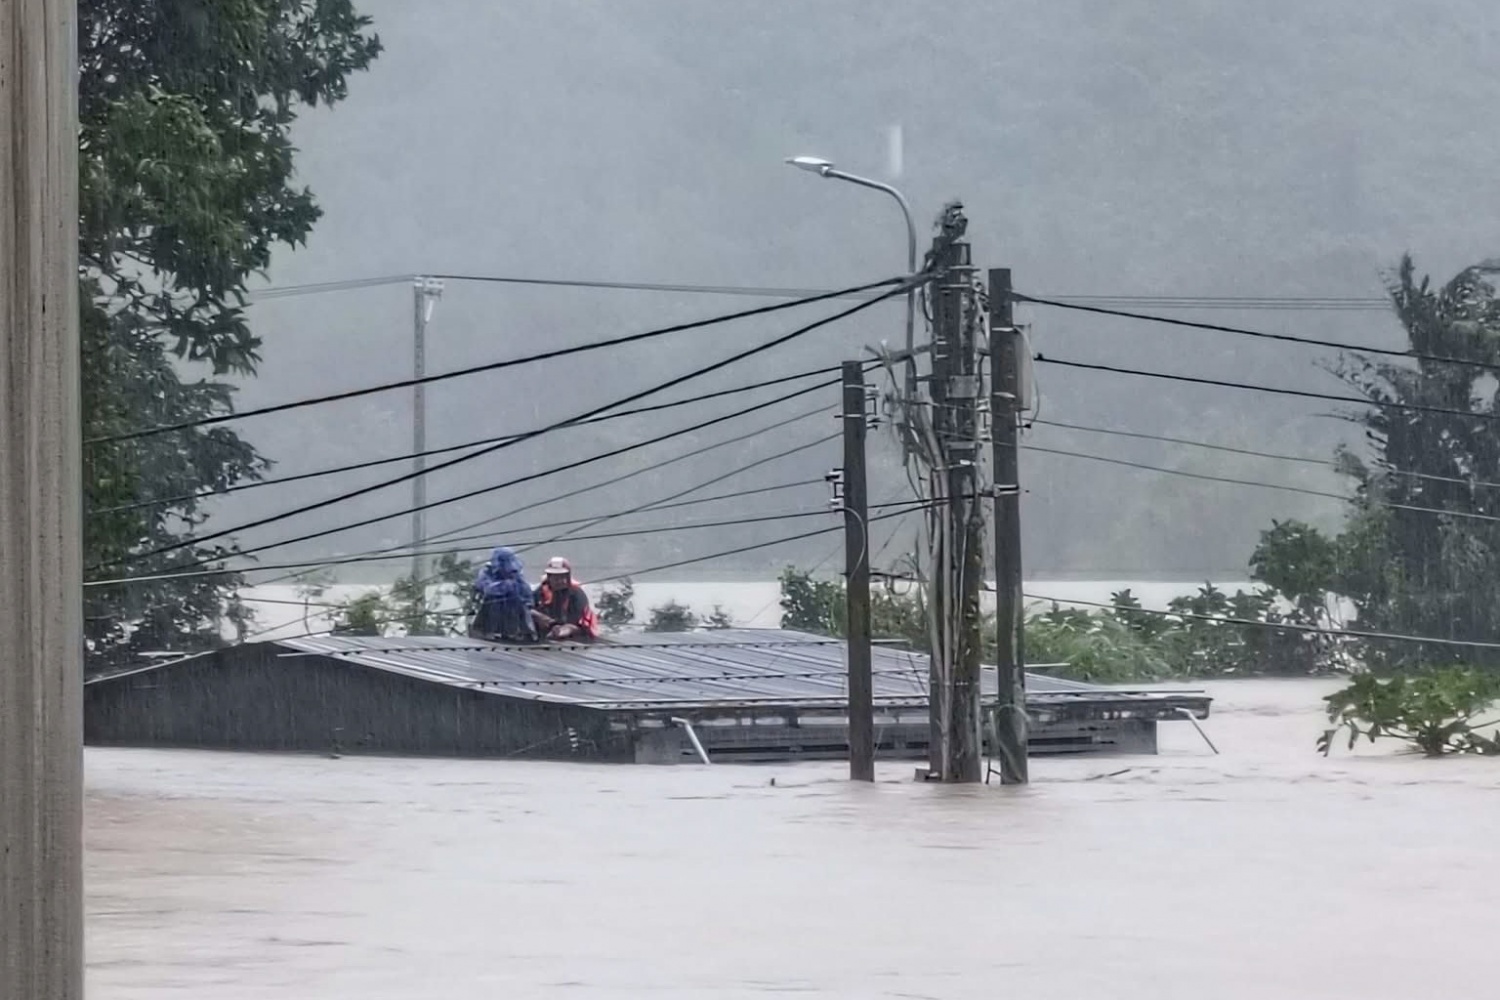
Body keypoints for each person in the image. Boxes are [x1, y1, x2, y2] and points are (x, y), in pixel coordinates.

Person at [470, 547, 536, 642]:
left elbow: (526, 593)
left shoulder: (515, 574)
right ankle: (489, 632)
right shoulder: (486, 572)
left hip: (511, 614)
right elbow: (487, 589)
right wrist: (506, 585)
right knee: (493, 601)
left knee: (518, 602)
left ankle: (514, 633)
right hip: (487, 613)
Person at [531, 556, 598, 641]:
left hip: (572, 627)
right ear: (549, 577)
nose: (558, 581)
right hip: (548, 625)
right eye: (554, 577)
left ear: (567, 576)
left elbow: (579, 621)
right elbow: (528, 607)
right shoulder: (541, 591)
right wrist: (542, 618)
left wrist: (561, 629)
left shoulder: (576, 593)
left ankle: (558, 633)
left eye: (561, 577)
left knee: (567, 629)